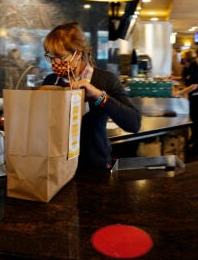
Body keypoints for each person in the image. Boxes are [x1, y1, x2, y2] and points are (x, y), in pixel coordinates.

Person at [42, 22, 141, 170]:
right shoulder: (50, 81)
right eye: (51, 57)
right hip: (57, 166)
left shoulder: (105, 80)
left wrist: (98, 95)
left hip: (94, 166)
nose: (55, 63)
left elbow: (133, 123)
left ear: (78, 53)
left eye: (61, 57)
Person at [175, 49, 198, 158]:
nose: (181, 58)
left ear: (187, 58)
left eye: (183, 57)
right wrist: (173, 78)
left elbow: (194, 85)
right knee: (193, 119)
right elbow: (184, 78)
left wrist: (179, 93)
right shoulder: (187, 67)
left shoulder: (195, 67)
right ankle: (193, 140)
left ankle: (197, 147)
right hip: (194, 97)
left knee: (196, 120)